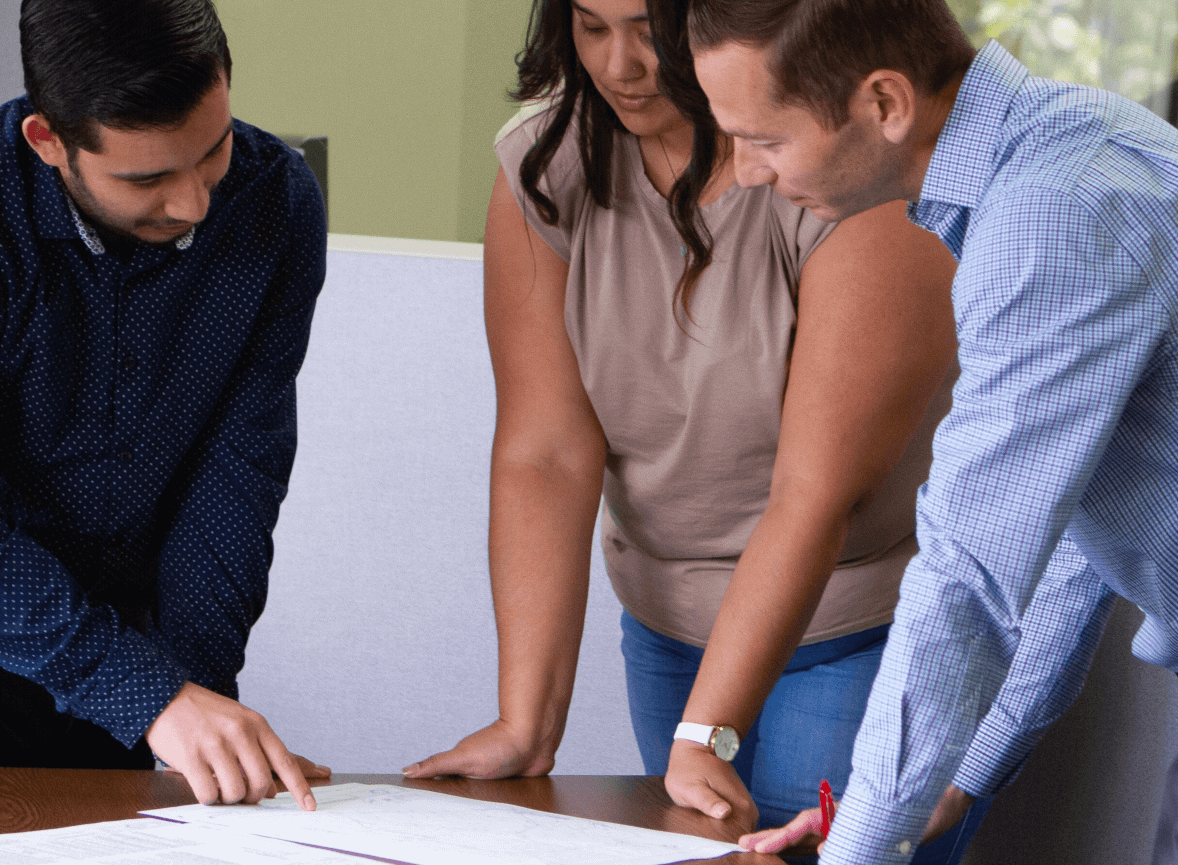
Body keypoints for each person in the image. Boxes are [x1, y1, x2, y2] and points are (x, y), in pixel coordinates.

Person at [688, 1, 1178, 864]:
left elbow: (967, 572)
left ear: (884, 103)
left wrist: (862, 846)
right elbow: (1073, 545)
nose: (744, 173)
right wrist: (951, 779)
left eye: (764, 140)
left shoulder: (1053, 208)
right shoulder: (1049, 163)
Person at [402, 0, 989, 860]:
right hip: (668, 631)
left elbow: (816, 489)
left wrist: (706, 732)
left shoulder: (846, 160)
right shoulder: (544, 163)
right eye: (591, 26)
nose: (619, 65)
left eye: (647, 26)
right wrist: (526, 720)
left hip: (854, 630)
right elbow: (547, 453)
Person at [0, 2, 331, 862]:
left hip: (118, 637)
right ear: (49, 140)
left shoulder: (274, 202)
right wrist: (153, 696)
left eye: (212, 150)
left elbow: (237, 472)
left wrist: (193, 698)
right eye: (146, 180)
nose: (194, 201)